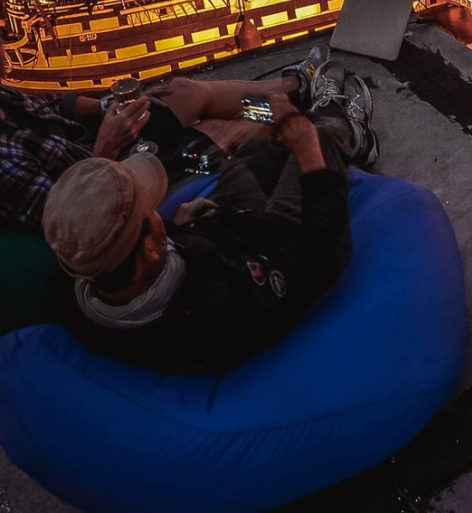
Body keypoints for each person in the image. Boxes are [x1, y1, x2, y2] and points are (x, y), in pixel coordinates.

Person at [42, 66, 375, 375]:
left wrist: (177, 228)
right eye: (149, 211)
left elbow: (100, 242)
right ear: (150, 248)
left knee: (257, 151)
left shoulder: (74, 288)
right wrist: (306, 147)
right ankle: (345, 123)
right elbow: (317, 254)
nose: (157, 212)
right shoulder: (222, 303)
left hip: (209, 233)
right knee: (320, 135)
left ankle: (299, 114)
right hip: (269, 249)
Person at [0, 52, 356, 228]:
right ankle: (304, 117)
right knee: (228, 128)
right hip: (110, 179)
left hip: (101, 141)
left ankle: (294, 88)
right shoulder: (6, 165)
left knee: (181, 91)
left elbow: (55, 103)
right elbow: (76, 222)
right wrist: (107, 148)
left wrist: (113, 104)